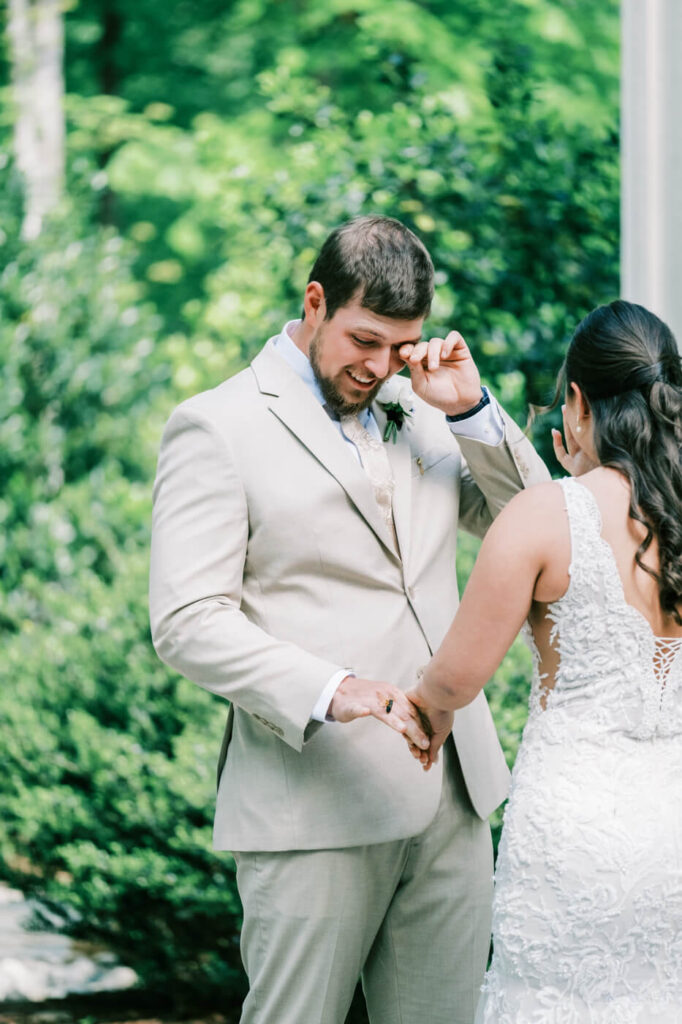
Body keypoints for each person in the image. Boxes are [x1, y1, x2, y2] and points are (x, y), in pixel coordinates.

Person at [149, 215, 548, 1024]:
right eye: (363, 340)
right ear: (315, 301)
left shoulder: (426, 408)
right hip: (313, 801)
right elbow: (187, 619)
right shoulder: (217, 426)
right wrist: (333, 688)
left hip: (454, 793)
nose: (377, 367)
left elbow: (539, 521)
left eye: (399, 348)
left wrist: (470, 409)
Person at [409, 299, 682, 1021]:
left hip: (575, 831)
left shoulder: (544, 516)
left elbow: (457, 677)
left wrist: (425, 709)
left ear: (577, 401)